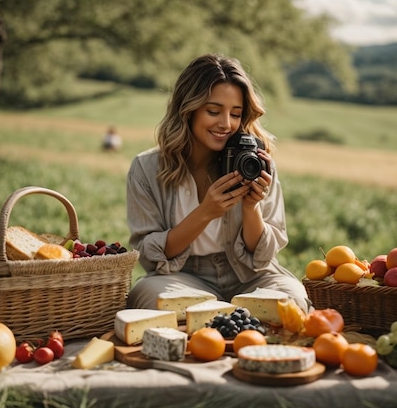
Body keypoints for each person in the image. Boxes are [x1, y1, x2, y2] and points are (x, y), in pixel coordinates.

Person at [125, 53, 312, 313]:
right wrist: (205, 213)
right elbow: (149, 255)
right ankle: (230, 319)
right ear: (188, 110)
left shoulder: (255, 161)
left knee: (291, 300)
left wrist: (251, 208)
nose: (226, 124)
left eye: (236, 114)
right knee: (147, 296)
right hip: (184, 277)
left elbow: (263, 256)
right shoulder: (146, 168)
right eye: (213, 111)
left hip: (251, 277)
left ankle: (214, 319)